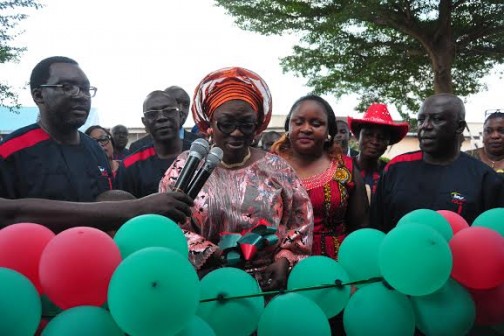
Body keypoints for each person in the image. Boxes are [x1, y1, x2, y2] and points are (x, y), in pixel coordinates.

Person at [159, 67, 313, 290]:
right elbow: (168, 225)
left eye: (246, 124)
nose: (237, 132)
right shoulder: (185, 167)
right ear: (209, 124)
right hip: (206, 282)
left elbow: (300, 220)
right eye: (227, 123)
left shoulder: (277, 168)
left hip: (268, 286)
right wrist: (212, 253)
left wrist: (285, 259)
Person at [371, 93, 504, 232]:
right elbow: (376, 227)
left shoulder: (486, 179)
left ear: (459, 127)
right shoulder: (395, 169)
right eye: (421, 120)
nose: (425, 126)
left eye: (437, 119)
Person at [0, 56, 113, 201]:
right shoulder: (9, 152)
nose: (81, 96)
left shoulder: (96, 150)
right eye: (67, 87)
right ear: (39, 95)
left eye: (85, 89)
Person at [271, 95, 368, 260]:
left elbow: (361, 226)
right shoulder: (268, 166)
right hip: (277, 265)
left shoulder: (346, 168)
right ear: (288, 126)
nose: (306, 128)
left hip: (335, 265)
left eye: (316, 124)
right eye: (298, 122)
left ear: (329, 131)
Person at [115, 91, 191, 198]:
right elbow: (124, 209)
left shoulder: (199, 157)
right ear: (144, 122)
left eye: (168, 111)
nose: (161, 118)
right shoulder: (130, 166)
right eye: (152, 114)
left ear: (180, 116)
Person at [348, 103, 408, 200]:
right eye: (369, 135)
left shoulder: (392, 174)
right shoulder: (342, 169)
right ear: (358, 136)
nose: (375, 141)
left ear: (388, 142)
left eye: (382, 137)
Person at [129, 86, 200, 152]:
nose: (181, 109)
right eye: (176, 103)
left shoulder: (199, 144)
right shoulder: (138, 147)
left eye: (186, 105)